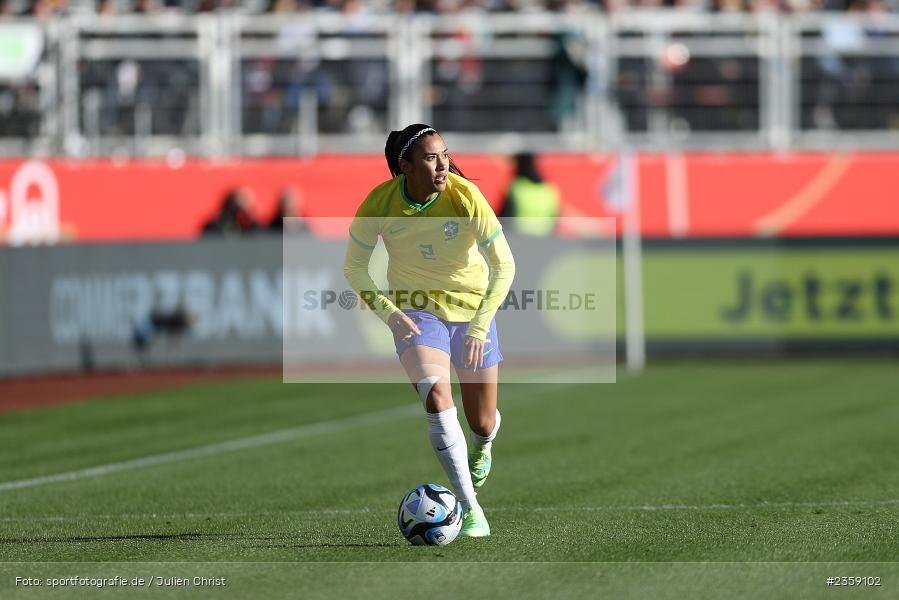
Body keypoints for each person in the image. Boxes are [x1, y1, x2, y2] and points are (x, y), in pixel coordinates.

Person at [344, 123, 515, 537]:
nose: (442, 165)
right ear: (405, 166)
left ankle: (485, 441)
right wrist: (388, 312)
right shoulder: (379, 204)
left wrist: (479, 327)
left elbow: (504, 265)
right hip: (417, 314)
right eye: (431, 157)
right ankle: (471, 508)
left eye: (444, 155)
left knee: (481, 419)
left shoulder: (465, 195)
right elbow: (354, 268)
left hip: (473, 312)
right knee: (437, 397)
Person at [499, 152, 560, 236]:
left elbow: (502, 222)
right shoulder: (549, 189)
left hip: (519, 243)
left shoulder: (516, 187)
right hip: (543, 244)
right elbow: (554, 224)